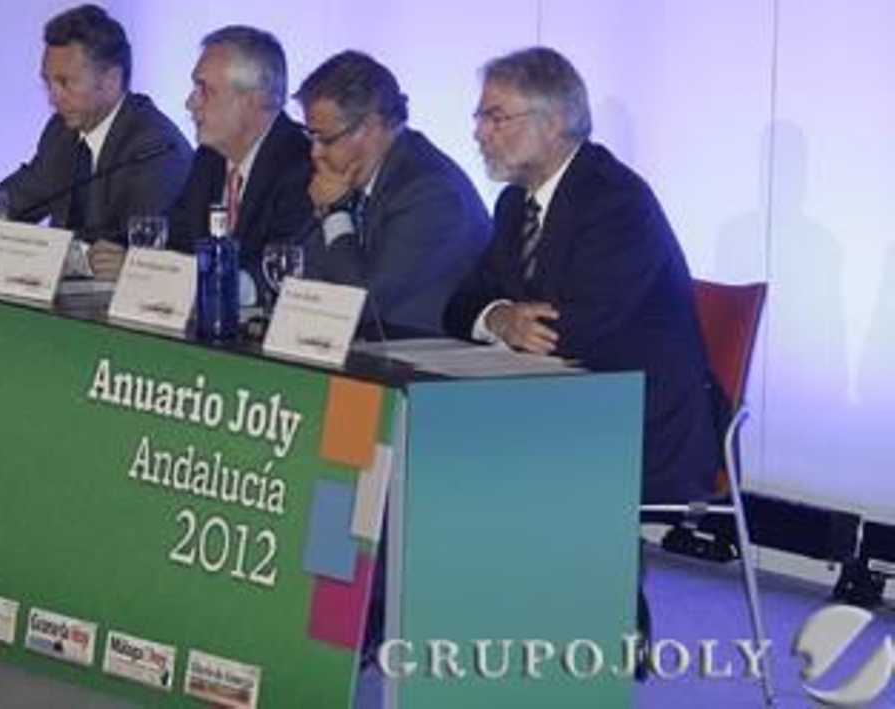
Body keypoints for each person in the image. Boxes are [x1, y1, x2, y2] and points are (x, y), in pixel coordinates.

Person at [441, 46, 719, 504]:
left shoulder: (615, 202)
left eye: (495, 117)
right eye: (479, 118)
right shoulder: (514, 204)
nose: (478, 133)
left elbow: (570, 332)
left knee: (467, 451)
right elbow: (457, 306)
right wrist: (499, 318)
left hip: (638, 421)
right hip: (557, 407)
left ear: (552, 123)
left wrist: (513, 323)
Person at [90, 26, 310, 296]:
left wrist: (148, 274)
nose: (190, 102)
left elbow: (277, 274)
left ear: (255, 99)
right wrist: (122, 255)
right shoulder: (210, 158)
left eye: (204, 90)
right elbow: (174, 236)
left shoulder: (303, 164)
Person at [296, 52, 489, 334]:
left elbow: (360, 304)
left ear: (372, 127)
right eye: (310, 136)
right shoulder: (350, 179)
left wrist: (335, 213)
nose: (315, 153)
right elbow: (304, 275)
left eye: (325, 139)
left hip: (423, 361)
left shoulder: (429, 191)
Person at [0, 4, 191, 248]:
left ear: (111, 80)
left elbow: (122, 242)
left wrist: (38, 249)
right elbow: (20, 197)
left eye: (65, 82)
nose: (53, 98)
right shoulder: (61, 131)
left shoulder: (155, 147)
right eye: (48, 82)